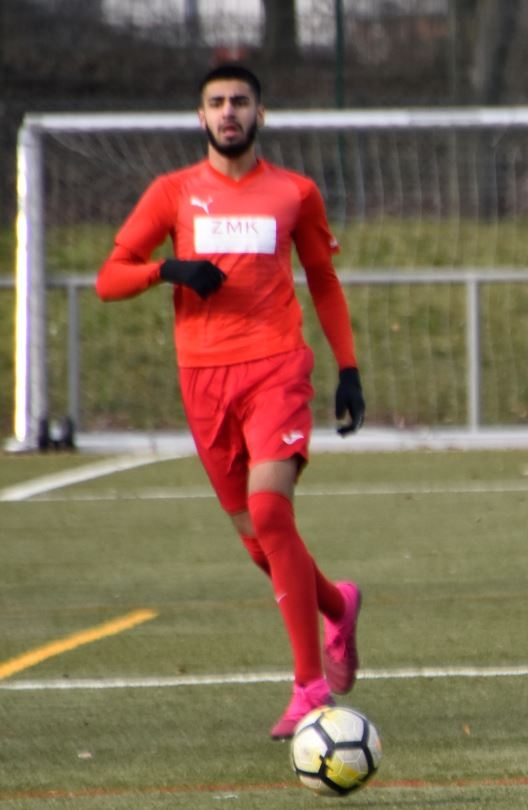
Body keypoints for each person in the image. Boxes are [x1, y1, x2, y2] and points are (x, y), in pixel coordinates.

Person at [96, 64, 366, 740]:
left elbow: (323, 281)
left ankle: (308, 689)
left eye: (240, 101)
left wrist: (349, 368)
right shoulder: (173, 193)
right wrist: (168, 268)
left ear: (259, 113)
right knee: (259, 546)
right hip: (203, 381)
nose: (228, 112)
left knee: (272, 511)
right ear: (201, 116)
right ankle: (338, 607)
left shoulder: (295, 192)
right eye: (216, 102)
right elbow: (109, 278)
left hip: (277, 368)